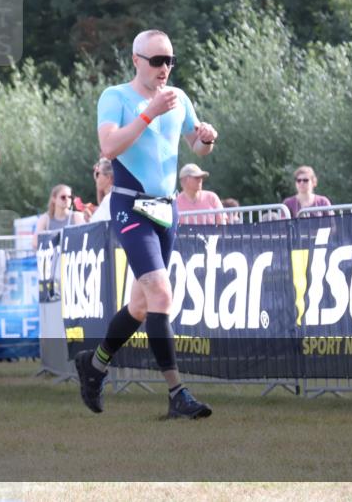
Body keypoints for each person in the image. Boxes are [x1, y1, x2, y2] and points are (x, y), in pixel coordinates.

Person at [75, 29, 217, 420]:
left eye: (170, 61)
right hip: (129, 207)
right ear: (136, 60)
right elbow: (109, 147)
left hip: (166, 212)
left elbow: (195, 146)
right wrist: (148, 113)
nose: (164, 69)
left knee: (140, 305)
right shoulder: (115, 97)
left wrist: (207, 138)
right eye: (156, 61)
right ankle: (177, 393)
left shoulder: (179, 98)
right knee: (160, 293)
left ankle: (95, 364)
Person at [91, 158, 114, 223]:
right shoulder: (109, 198)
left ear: (108, 177)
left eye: (97, 174)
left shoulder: (109, 199)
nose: (95, 178)